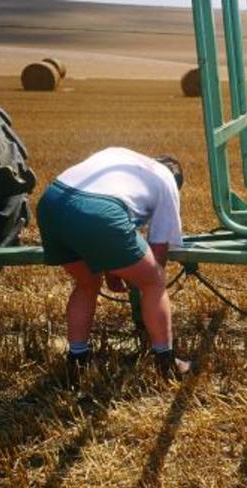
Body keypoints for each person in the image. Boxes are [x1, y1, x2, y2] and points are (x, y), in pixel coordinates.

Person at [36, 147, 189, 381]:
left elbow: (99, 231)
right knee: (154, 282)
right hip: (99, 212)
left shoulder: (119, 155)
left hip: (52, 202)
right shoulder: (166, 180)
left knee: (87, 284)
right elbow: (159, 251)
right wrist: (138, 275)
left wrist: (115, 268)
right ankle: (166, 364)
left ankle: (77, 362)